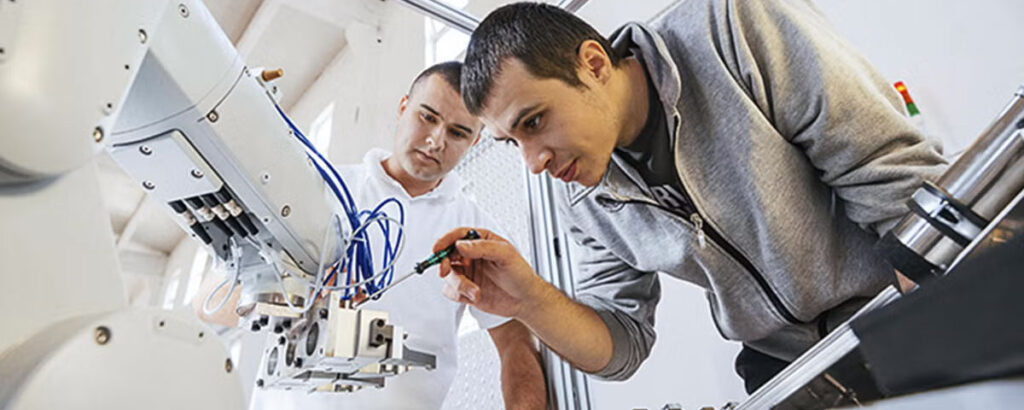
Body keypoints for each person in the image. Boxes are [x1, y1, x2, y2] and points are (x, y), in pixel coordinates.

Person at [430, 0, 947, 397]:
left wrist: (932, 339)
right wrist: (527, 300)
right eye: (511, 142)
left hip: (900, 308)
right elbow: (622, 343)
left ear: (592, 64)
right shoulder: (581, 197)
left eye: (535, 121)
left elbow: (890, 176)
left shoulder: (732, 29)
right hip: (785, 367)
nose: (534, 161)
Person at [195, 61, 547, 410]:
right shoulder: (320, 191)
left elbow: (515, 343)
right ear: (403, 107)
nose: (436, 141)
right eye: (427, 117)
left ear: (475, 141)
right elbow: (208, 303)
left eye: (457, 133)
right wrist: (299, 298)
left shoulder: (476, 232)